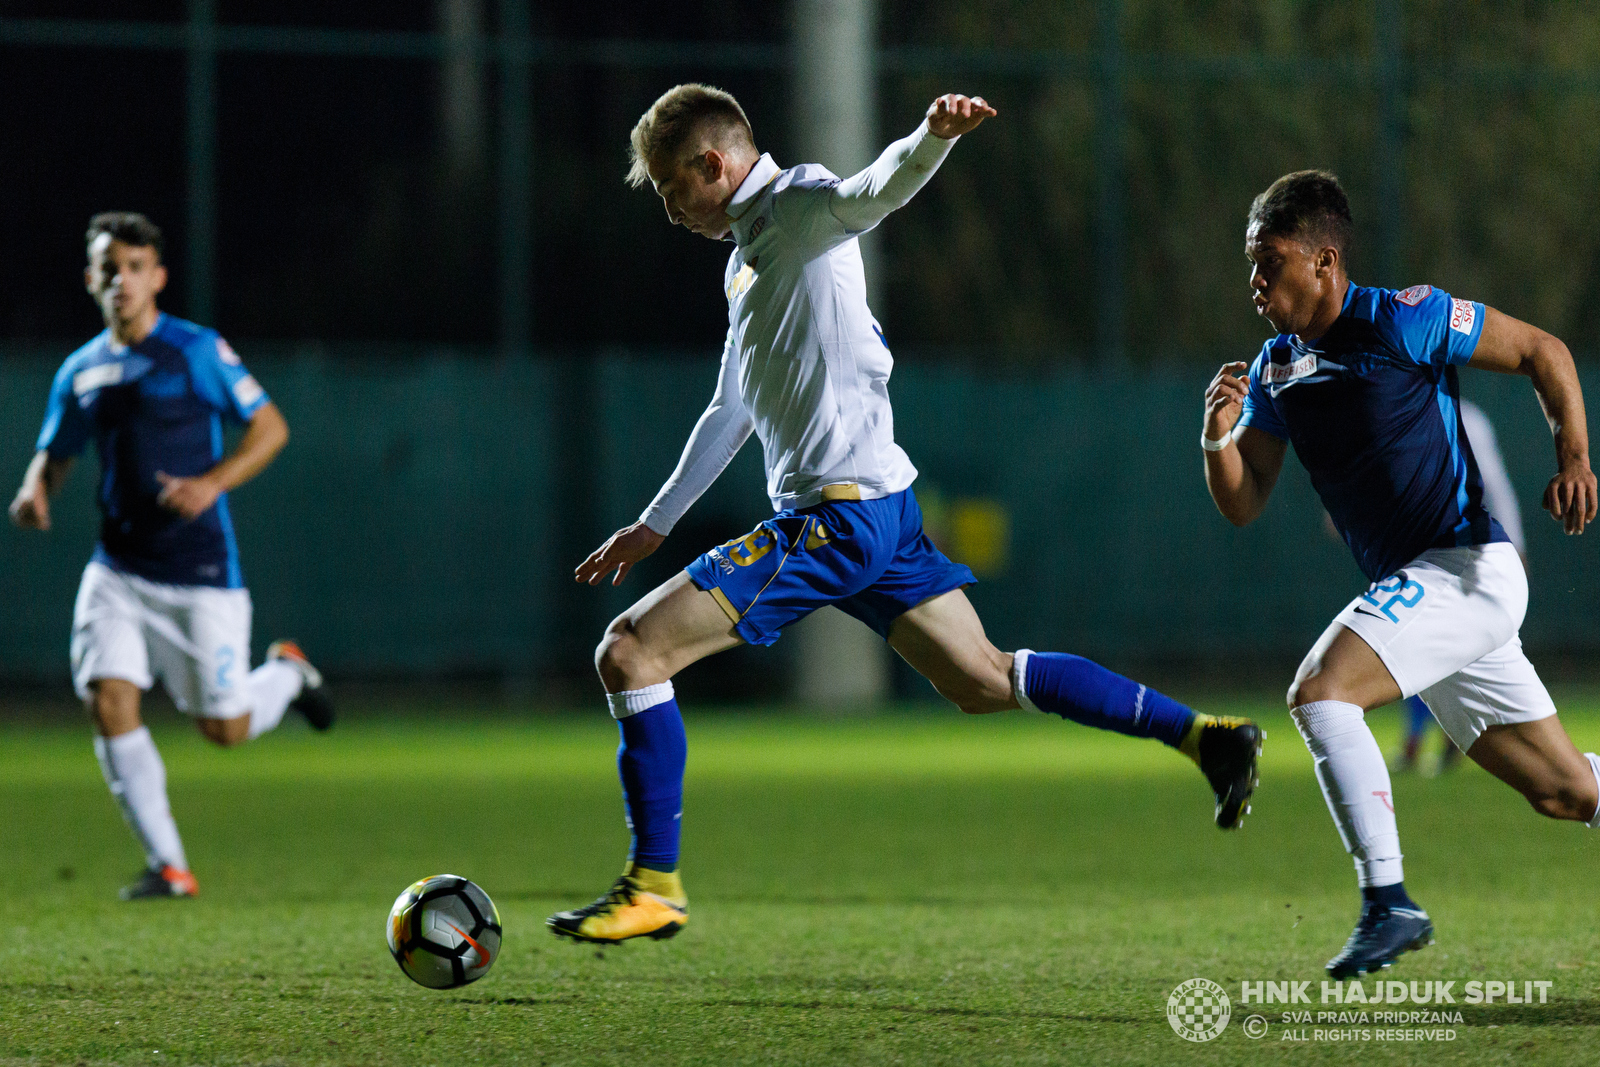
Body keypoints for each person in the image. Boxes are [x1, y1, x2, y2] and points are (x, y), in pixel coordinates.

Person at [545, 84, 1262, 947]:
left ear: (713, 164)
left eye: (670, 190)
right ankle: (1207, 737)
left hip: (834, 521)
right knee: (987, 680)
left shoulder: (797, 204)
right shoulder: (747, 255)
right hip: (879, 510)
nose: (669, 211)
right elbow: (730, 408)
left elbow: (870, 192)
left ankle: (653, 882)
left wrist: (932, 136)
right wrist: (655, 522)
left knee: (628, 651)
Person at [1202, 170, 1600, 979]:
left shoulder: (1405, 317)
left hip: (1467, 568)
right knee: (1565, 792)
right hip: (1429, 597)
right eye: (1249, 265)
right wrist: (1215, 440)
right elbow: (1244, 502)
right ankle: (1393, 897)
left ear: (1323, 261)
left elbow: (1541, 350)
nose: (1254, 282)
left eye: (1267, 261)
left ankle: (1388, 900)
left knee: (1320, 692)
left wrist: (1576, 458)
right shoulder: (1276, 368)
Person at [8, 212, 333, 900]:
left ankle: (285, 675)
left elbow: (270, 426)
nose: (120, 278)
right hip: (118, 571)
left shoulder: (196, 350)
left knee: (224, 727)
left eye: (134, 265)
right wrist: (35, 489)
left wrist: (211, 482)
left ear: (157, 276)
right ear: (91, 277)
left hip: (201, 575)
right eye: (108, 266)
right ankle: (171, 866)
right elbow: (56, 448)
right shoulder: (81, 369)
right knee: (109, 699)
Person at [1396, 399, 1527, 774]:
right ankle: (1425, 739)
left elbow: (1494, 486)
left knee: (1449, 650)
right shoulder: (1398, 401)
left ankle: (1453, 738)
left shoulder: (1466, 417)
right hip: (1415, 549)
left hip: (1470, 551)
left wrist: (1515, 544)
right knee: (1416, 647)